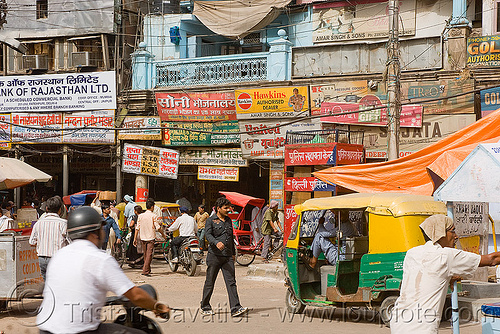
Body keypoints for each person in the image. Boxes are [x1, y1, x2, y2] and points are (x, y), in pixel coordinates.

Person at [37, 206, 170, 334]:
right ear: (94, 232)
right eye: (101, 228)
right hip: (80, 331)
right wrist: (157, 306)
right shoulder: (100, 259)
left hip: (45, 328)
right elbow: (135, 295)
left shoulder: (59, 255)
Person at [390, 214, 500, 333]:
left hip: (398, 321)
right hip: (422, 327)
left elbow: (429, 275)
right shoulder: (446, 255)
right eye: (453, 231)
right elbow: (492, 260)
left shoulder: (412, 253)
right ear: (440, 233)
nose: (456, 236)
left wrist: (450, 277)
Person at [200, 197, 248, 317]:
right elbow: (208, 234)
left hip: (227, 257)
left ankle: (235, 308)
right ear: (218, 208)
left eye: (229, 207)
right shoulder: (210, 220)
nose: (229, 210)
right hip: (214, 256)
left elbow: (230, 237)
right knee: (210, 282)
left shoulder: (228, 221)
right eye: (226, 208)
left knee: (231, 282)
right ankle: (205, 306)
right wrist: (216, 242)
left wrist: (233, 254)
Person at [29, 196, 68, 281]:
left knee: (48, 285)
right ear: (60, 210)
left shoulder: (38, 223)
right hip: (57, 258)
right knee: (58, 284)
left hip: (42, 259)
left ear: (46, 208)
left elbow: (31, 242)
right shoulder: (63, 223)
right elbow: (71, 241)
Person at [134, 199, 165, 276]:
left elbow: (137, 228)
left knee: (146, 254)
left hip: (143, 237)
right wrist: (163, 234)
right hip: (150, 237)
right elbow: (158, 227)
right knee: (149, 254)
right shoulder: (153, 216)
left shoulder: (141, 216)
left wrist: (135, 238)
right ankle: (145, 270)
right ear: (152, 207)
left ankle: (147, 268)